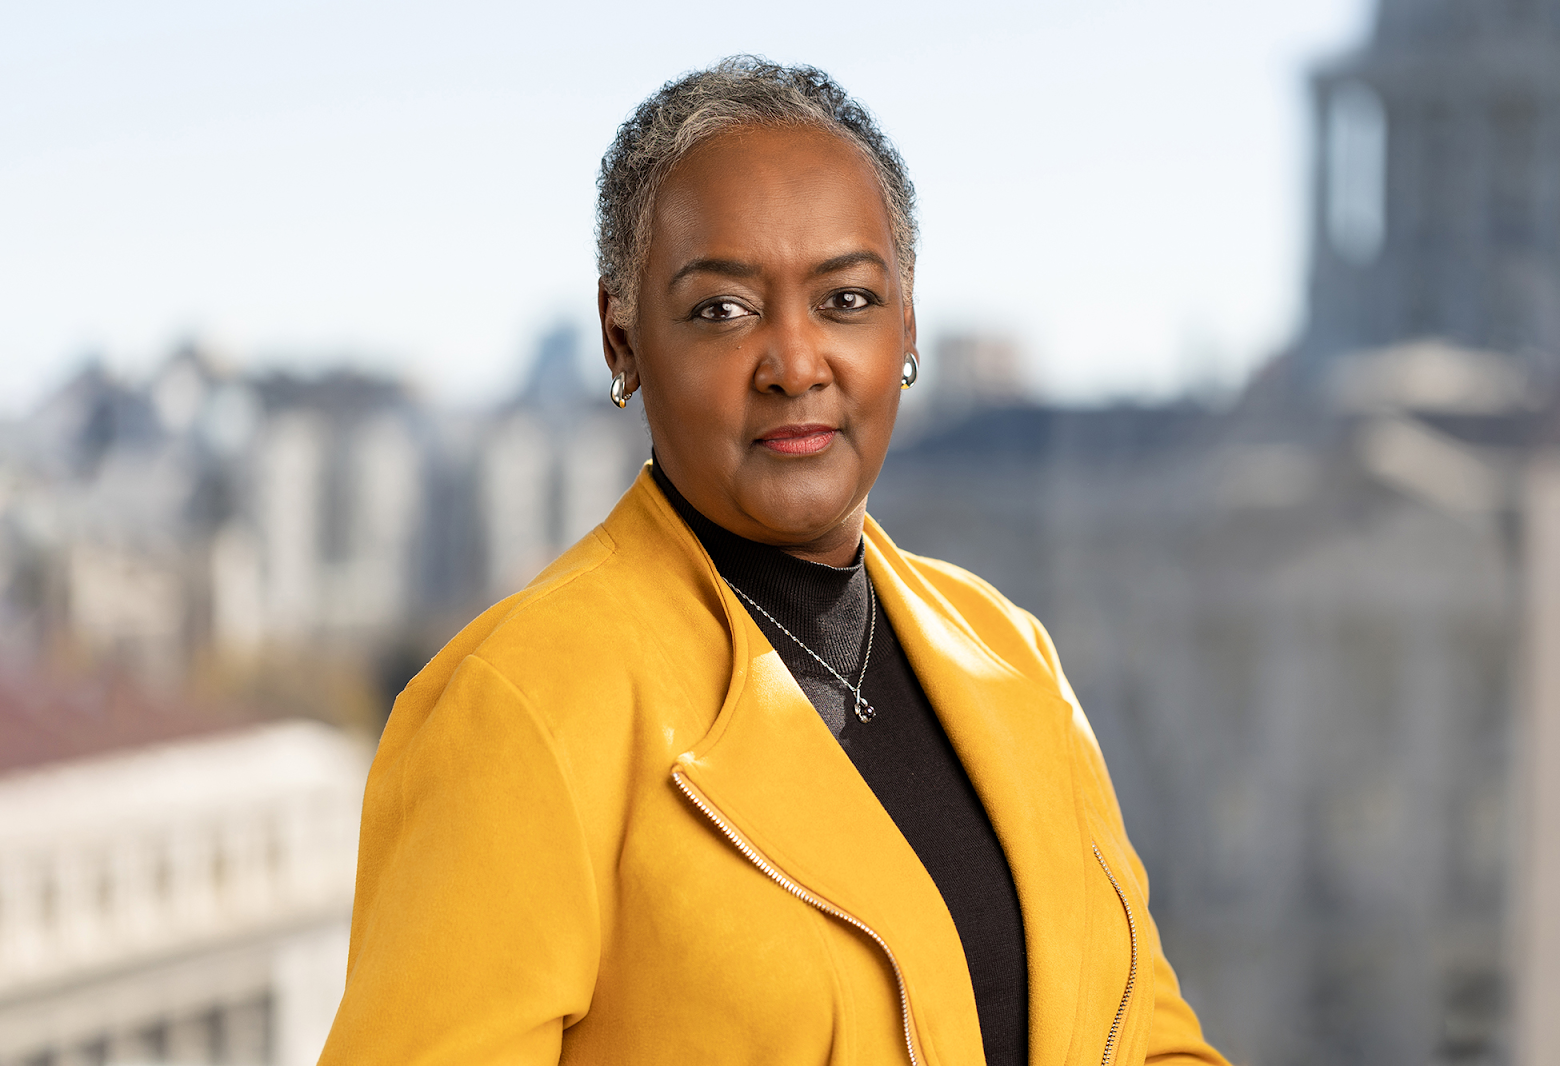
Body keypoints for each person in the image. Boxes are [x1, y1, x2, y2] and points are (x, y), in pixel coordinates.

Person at [319, 57, 1229, 1066]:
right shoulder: (519, 707)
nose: (796, 362)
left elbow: (1146, 1035)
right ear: (622, 340)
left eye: (845, 299)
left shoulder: (1012, 658)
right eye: (721, 310)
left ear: (908, 327)